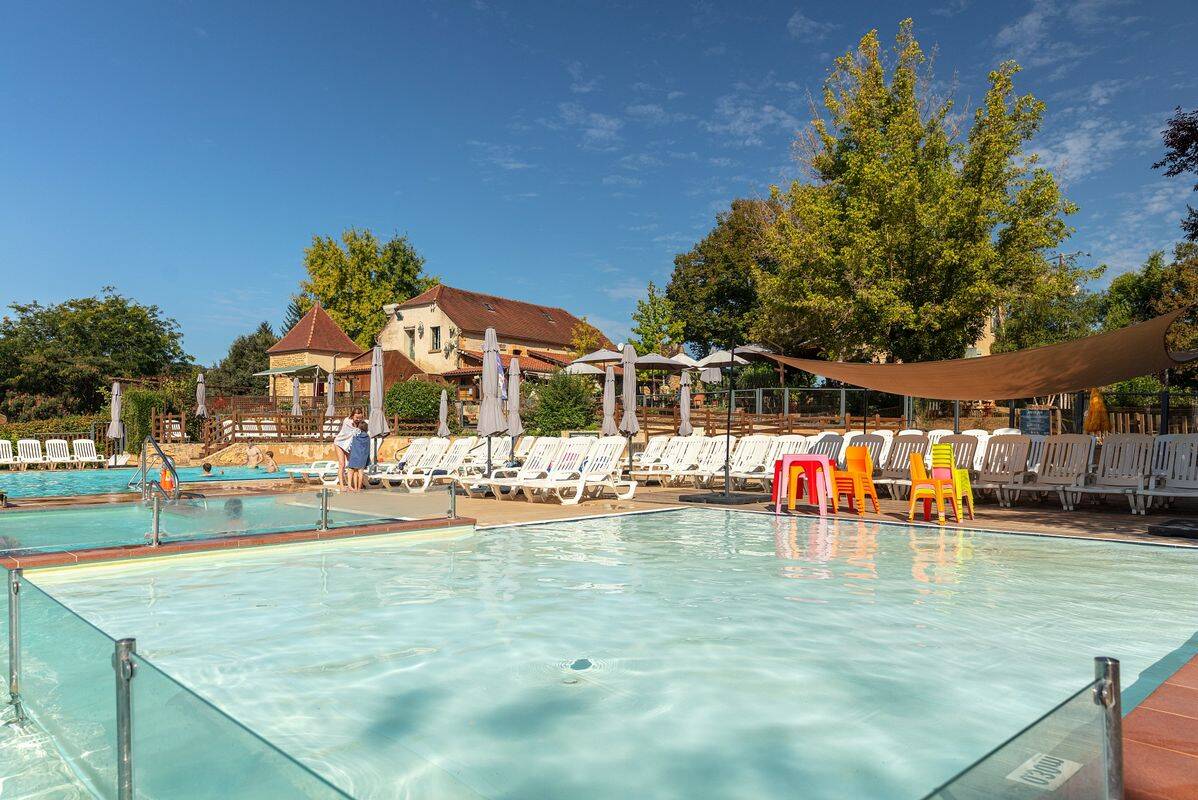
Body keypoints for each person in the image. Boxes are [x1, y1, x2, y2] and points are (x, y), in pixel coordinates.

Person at [334, 409, 365, 486]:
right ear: (352, 416)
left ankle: (351, 485)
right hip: (340, 443)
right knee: (342, 464)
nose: (358, 419)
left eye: (360, 418)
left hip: (349, 445)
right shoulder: (347, 421)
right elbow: (354, 430)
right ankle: (341, 485)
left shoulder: (361, 424)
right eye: (356, 417)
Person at [346, 419, 371, 491]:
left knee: (355, 472)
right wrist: (367, 459)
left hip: (355, 456)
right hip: (363, 457)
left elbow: (352, 445)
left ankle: (355, 487)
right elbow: (368, 448)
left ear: (359, 428)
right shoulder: (367, 437)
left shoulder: (356, 436)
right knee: (360, 473)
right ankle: (359, 488)